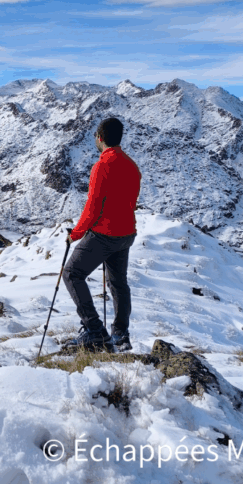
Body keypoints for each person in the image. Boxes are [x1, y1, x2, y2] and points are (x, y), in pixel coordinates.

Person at [61, 117, 141, 353]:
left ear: (100, 137)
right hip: (126, 233)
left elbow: (93, 207)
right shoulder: (131, 166)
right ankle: (120, 334)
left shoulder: (102, 166)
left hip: (104, 233)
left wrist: (76, 234)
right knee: (118, 283)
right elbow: (131, 202)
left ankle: (94, 331)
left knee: (72, 273)